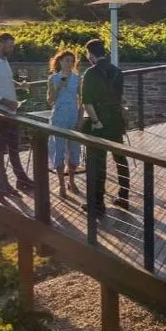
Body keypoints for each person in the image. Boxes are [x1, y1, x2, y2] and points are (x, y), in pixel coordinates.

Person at [79, 38, 129, 216]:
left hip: (100, 122)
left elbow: (87, 102)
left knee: (97, 162)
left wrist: (95, 122)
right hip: (115, 119)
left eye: (87, 55)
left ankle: (97, 203)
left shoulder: (91, 73)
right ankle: (124, 196)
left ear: (91, 54)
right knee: (120, 158)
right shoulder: (117, 71)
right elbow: (119, 97)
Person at [0, 32, 35, 199]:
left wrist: (18, 85)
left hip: (10, 111)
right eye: (10, 45)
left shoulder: (3, 61)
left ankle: (21, 179)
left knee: (13, 147)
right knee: (0, 150)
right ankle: (2, 185)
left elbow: (4, 81)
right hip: (0, 112)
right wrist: (7, 103)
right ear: (1, 43)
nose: (12, 48)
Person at [47, 49, 82, 197]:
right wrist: (58, 88)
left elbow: (82, 100)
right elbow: (50, 101)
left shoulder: (77, 78)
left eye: (71, 61)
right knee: (59, 150)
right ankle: (61, 183)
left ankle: (71, 180)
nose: (69, 63)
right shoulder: (53, 79)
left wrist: (80, 119)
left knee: (74, 151)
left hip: (73, 117)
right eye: (66, 60)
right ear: (60, 61)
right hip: (59, 117)